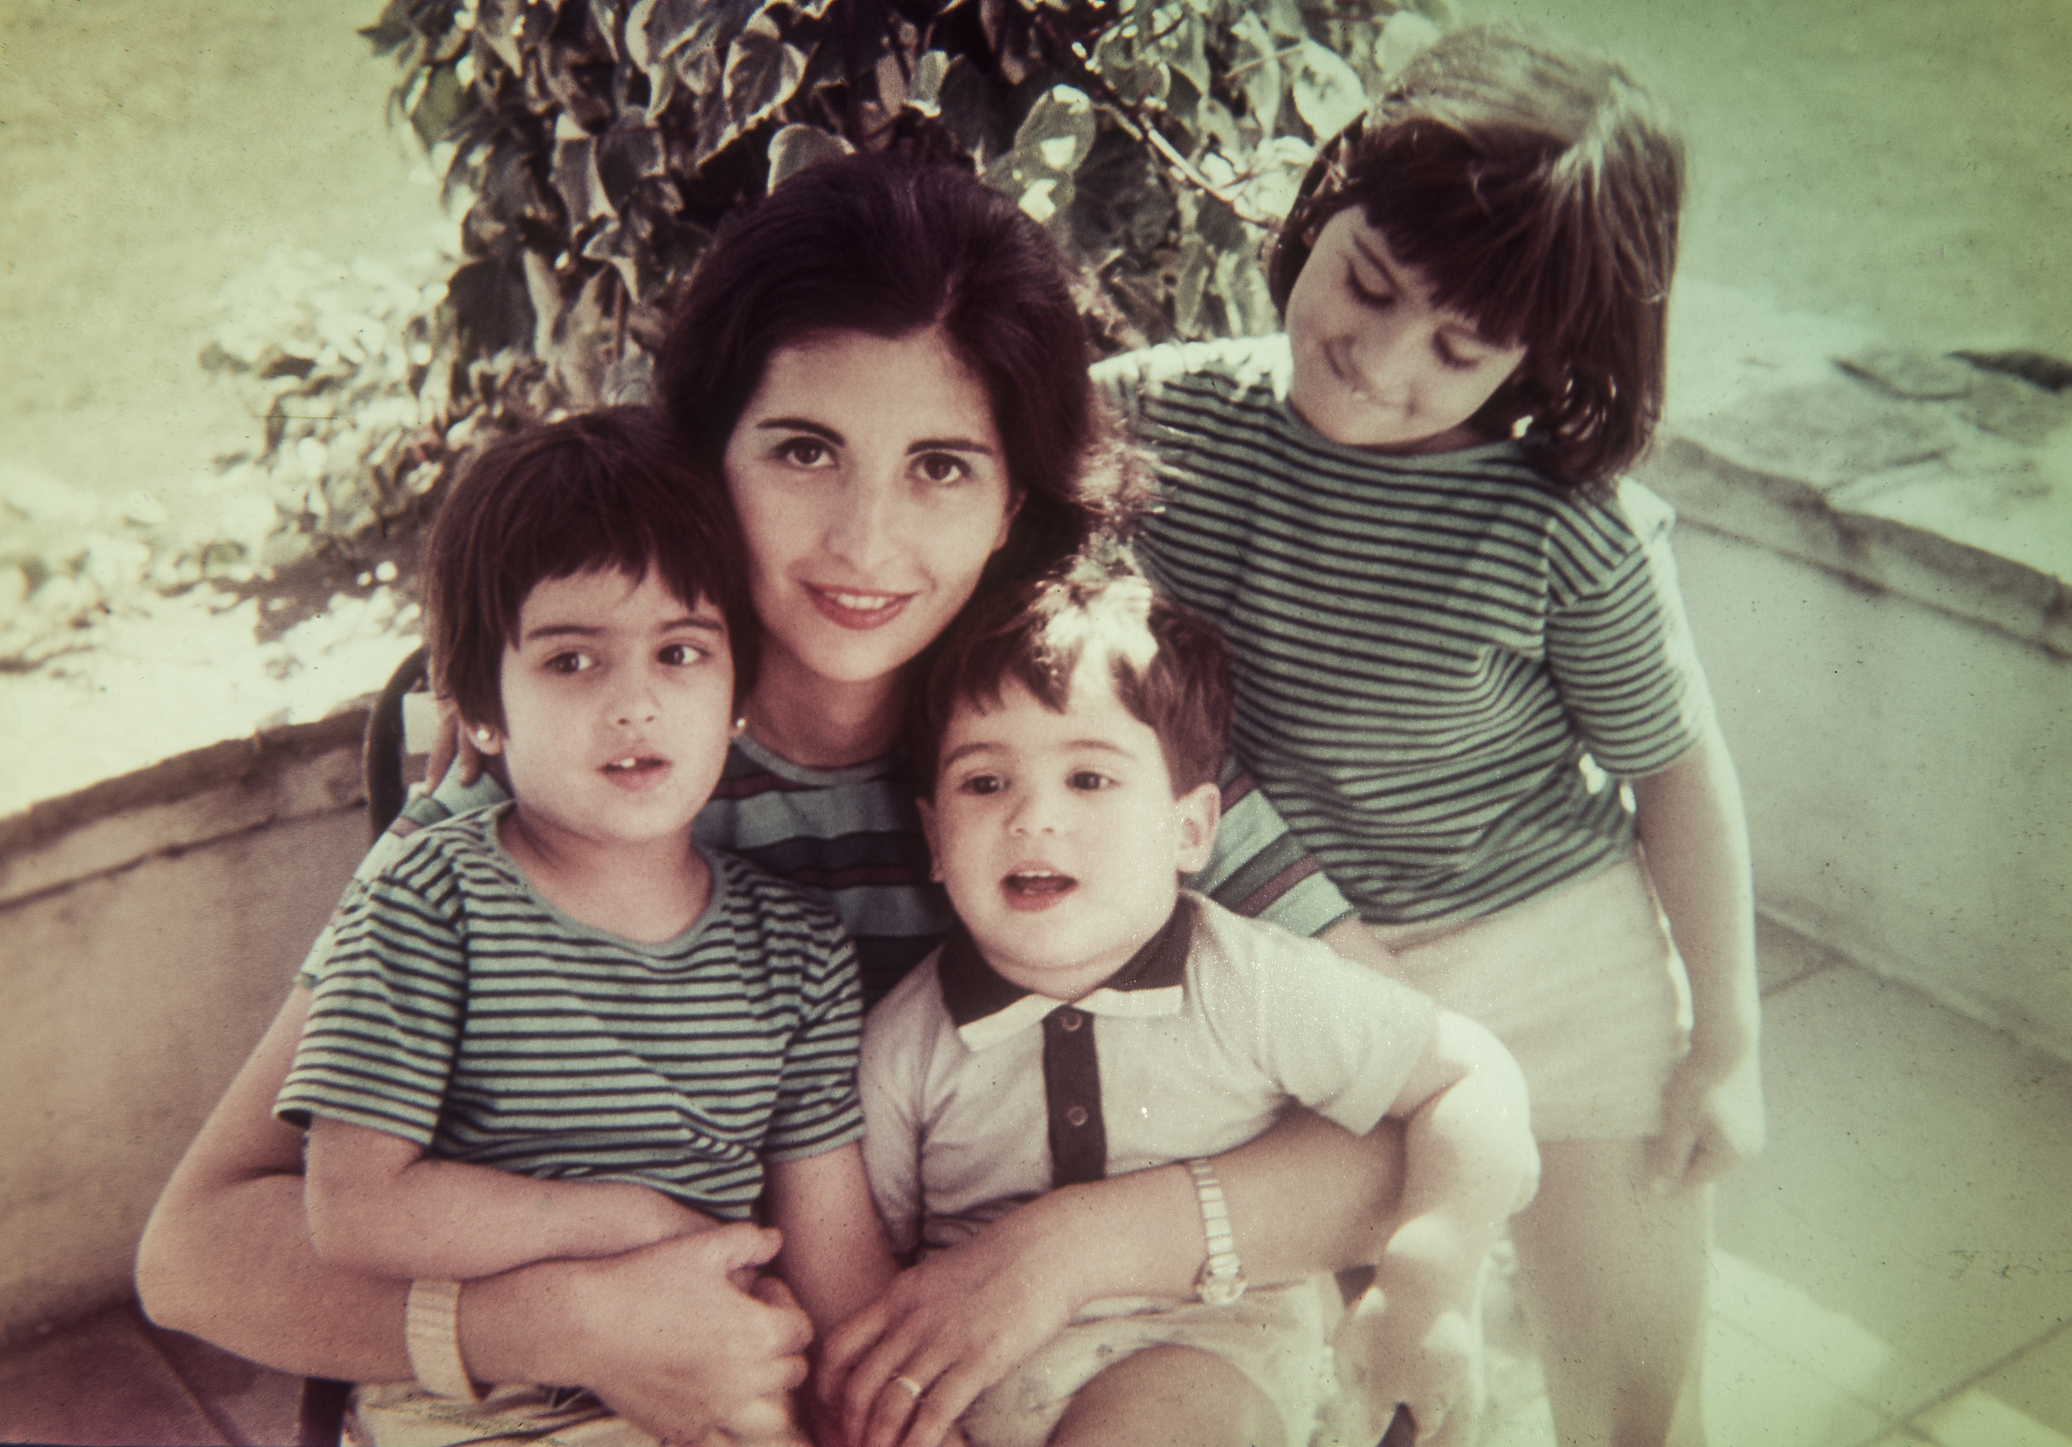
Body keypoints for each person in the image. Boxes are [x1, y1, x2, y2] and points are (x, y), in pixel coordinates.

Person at [136, 155, 1412, 1447]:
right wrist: (562, 1324)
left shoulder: (1079, 740)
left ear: (1014, 496)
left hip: (1081, 1361)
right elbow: (197, 1248)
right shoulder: (573, 775)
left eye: (942, 466)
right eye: (805, 450)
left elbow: (1402, 1127)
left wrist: (1058, 1252)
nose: (865, 540)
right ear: (708, 452)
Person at [1099, 27, 1763, 1445]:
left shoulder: (1570, 533)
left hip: (1560, 969)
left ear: (1545, 357)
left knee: (1636, 1395)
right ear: (1327, 199)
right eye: (1370, 281)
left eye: (1459, 347)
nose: (1381, 356)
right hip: (1303, 990)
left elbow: (1678, 779)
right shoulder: (1158, 420)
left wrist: (1730, 1035)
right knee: (1386, 1390)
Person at [273, 409, 894, 1446]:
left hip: (721, 1393)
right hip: (478, 1406)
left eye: (682, 652)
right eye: (571, 661)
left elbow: (833, 1273)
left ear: (738, 688)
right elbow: (351, 1208)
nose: (634, 703)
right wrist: (629, 1219)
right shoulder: (430, 897)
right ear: (478, 707)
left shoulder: (796, 952)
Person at [855, 564, 1539, 1447]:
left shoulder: (1246, 981)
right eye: (984, 783)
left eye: (1090, 779)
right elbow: (874, 1256)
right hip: (981, 1378)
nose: (1032, 816)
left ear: (1191, 829)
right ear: (934, 840)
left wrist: (1431, 1272)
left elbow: (1473, 1074)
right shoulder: (905, 1041)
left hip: (1198, 1346)